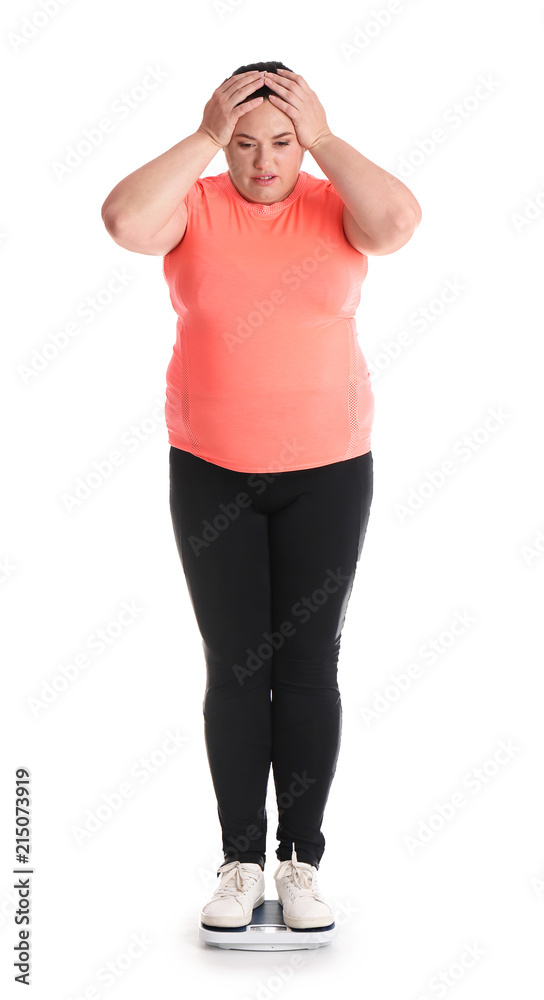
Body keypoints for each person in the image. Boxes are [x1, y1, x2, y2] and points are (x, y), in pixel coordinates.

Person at [101, 59, 422, 932]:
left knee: (309, 670)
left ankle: (303, 862)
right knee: (237, 668)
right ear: (224, 142)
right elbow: (124, 219)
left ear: (303, 138)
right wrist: (206, 133)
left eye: (281, 142)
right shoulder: (194, 204)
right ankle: (241, 861)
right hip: (211, 468)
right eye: (245, 144)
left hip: (328, 468)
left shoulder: (335, 202)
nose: (264, 160)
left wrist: (321, 135)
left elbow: (399, 222)